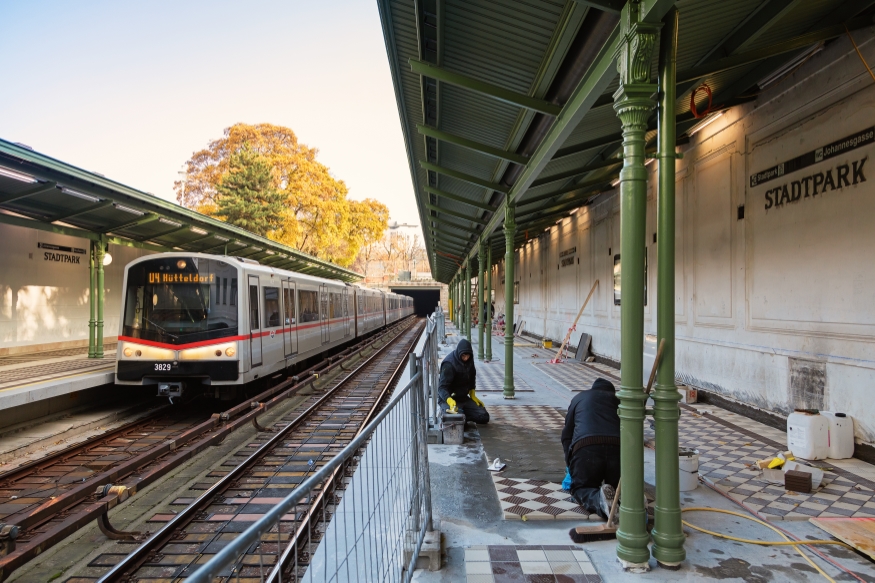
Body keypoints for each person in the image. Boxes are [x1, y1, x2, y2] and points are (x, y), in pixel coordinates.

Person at [561, 377, 620, 520]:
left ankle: (598, 500)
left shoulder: (579, 398)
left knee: (582, 487)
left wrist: (572, 467)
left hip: (586, 448)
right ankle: (623, 498)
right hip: (618, 448)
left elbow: (566, 436)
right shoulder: (620, 401)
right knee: (618, 487)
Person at [438, 338, 489, 424]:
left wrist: (472, 392)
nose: (465, 358)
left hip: (463, 398)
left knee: (484, 416)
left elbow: (472, 375)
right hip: (449, 399)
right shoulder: (449, 364)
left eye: (467, 356)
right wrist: (449, 399)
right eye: (463, 356)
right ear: (459, 353)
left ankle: (462, 416)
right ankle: (449, 413)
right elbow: (442, 388)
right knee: (459, 422)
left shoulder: (469, 360)